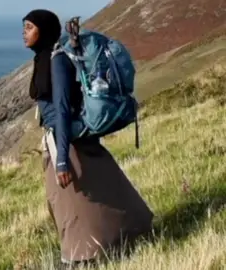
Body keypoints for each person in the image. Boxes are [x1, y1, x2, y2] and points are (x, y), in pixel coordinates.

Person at [22, 9, 154, 266]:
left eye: (29, 27)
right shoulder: (43, 59)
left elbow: (61, 108)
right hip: (66, 139)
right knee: (98, 192)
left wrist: (61, 159)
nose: (24, 33)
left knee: (72, 203)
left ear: (44, 30)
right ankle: (122, 236)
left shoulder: (56, 59)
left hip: (67, 141)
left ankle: (81, 257)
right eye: (24, 27)